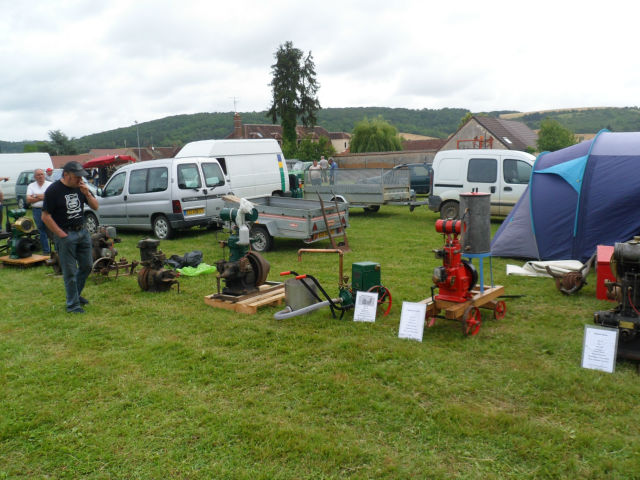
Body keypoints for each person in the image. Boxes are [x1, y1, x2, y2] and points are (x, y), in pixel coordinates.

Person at [42, 161, 99, 314]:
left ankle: (76, 295)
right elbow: (45, 216)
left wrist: (87, 193)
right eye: (76, 176)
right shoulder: (53, 190)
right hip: (65, 234)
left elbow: (95, 206)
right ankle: (73, 305)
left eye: (81, 176)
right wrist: (61, 234)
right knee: (70, 271)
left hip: (82, 232)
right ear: (66, 174)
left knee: (87, 266)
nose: (80, 179)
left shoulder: (81, 188)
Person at [26, 169, 53, 255]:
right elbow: (28, 200)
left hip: (49, 210)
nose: (40, 176)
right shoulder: (31, 186)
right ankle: (46, 251)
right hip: (37, 210)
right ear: (35, 177)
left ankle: (57, 250)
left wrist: (36, 196)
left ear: (44, 175)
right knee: (41, 230)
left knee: (53, 229)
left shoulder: (50, 184)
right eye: (38, 175)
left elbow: (52, 197)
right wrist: (44, 196)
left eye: (42, 174)